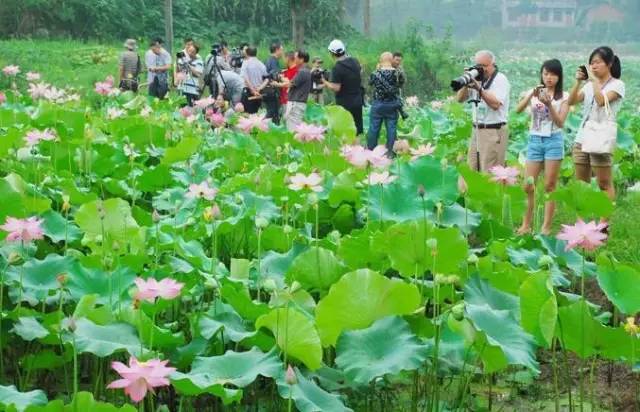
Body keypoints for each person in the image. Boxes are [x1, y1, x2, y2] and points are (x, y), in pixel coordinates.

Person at [515, 59, 569, 235]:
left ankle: (545, 226)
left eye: (553, 74)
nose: (549, 78)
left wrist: (549, 105)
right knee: (528, 185)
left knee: (549, 186)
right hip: (535, 140)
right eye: (545, 73)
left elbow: (560, 122)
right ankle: (526, 224)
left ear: (559, 76)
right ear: (541, 74)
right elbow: (517, 109)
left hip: (553, 140)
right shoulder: (533, 92)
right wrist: (532, 95)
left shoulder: (564, 97)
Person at [568, 46, 624, 201]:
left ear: (610, 63)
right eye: (591, 63)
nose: (593, 66)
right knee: (581, 184)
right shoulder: (588, 86)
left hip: (601, 138)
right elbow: (571, 101)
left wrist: (593, 79)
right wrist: (578, 82)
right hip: (581, 138)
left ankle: (604, 224)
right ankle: (581, 222)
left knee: (604, 183)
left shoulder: (617, 85)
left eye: (597, 62)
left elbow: (601, 101)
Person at [456, 50, 511, 173]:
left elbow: (495, 104)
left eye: (484, 66)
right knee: (472, 170)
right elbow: (459, 99)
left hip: (493, 131)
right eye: (478, 66)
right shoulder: (477, 78)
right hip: (476, 130)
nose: (481, 69)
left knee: (490, 173)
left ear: (493, 64)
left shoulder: (500, 79)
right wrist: (466, 82)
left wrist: (478, 88)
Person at [322, 39, 364, 135]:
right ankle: (358, 149)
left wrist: (325, 82)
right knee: (356, 131)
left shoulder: (337, 67)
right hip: (358, 100)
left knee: (346, 132)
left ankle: (347, 150)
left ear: (331, 53)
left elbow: (336, 87)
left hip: (345, 104)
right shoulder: (355, 62)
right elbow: (360, 71)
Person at [366, 52, 402, 155]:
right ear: (391, 60)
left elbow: (370, 83)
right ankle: (391, 152)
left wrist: (377, 69)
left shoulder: (375, 73)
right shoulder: (397, 73)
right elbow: (401, 84)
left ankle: (370, 151)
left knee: (373, 128)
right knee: (391, 128)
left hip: (378, 104)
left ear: (381, 61)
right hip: (392, 104)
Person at [285, 50, 312, 131]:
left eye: (296, 58)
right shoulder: (307, 70)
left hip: (295, 103)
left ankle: (293, 144)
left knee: (292, 129)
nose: (294, 59)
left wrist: (278, 81)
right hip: (300, 103)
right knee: (297, 128)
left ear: (302, 59)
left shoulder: (302, 72)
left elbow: (290, 84)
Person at [263, 41, 286, 124]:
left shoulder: (268, 60)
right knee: (273, 115)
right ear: (277, 50)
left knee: (271, 113)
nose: (282, 52)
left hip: (267, 91)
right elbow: (274, 76)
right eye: (281, 50)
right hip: (273, 93)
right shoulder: (274, 61)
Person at [240, 46, 268, 114]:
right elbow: (267, 79)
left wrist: (252, 90)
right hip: (258, 94)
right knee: (256, 116)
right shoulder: (261, 64)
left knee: (246, 116)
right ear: (256, 53)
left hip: (248, 93)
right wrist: (259, 89)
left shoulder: (245, 63)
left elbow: (245, 78)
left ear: (247, 53)